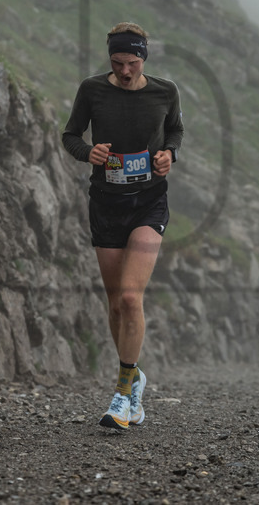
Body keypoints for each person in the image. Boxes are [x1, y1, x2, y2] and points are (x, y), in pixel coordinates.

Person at [61, 21, 184, 430]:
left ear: (143, 58)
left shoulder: (165, 91)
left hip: (149, 203)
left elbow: (175, 132)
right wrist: (87, 153)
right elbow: (71, 135)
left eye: (131, 62)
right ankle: (135, 377)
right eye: (117, 62)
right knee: (116, 304)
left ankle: (123, 392)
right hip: (106, 205)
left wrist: (169, 154)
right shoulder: (92, 89)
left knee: (131, 298)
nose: (125, 70)